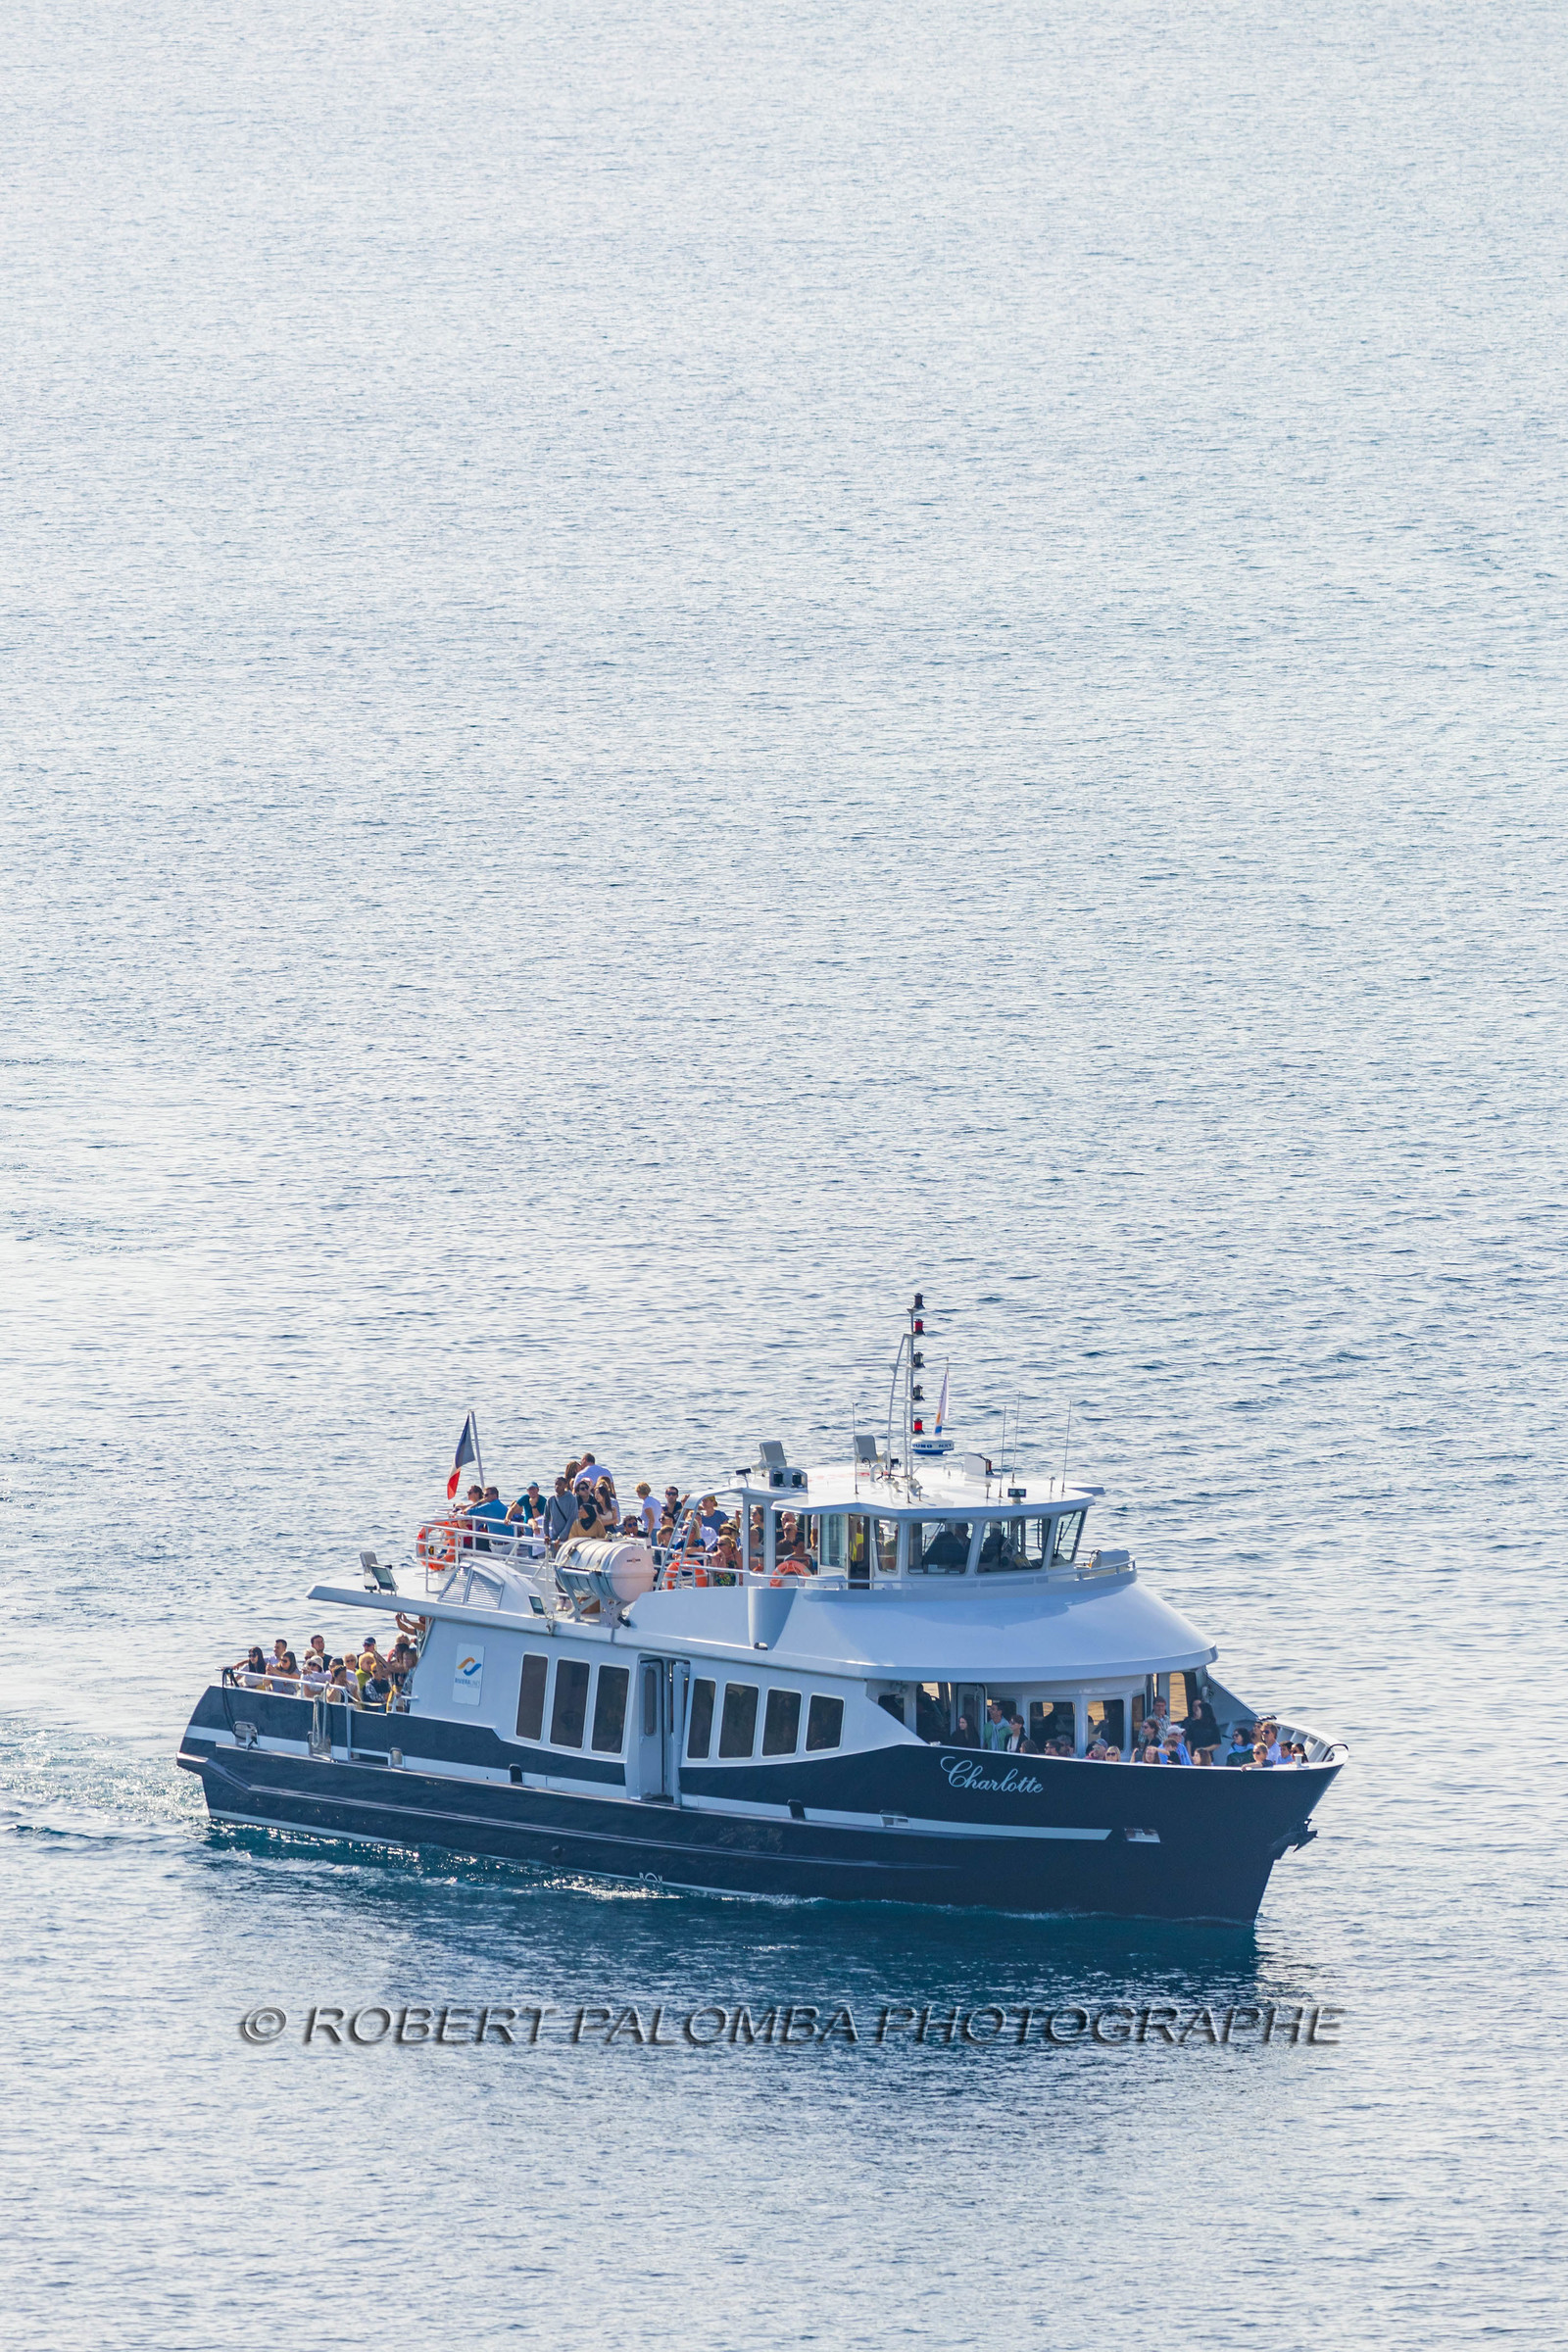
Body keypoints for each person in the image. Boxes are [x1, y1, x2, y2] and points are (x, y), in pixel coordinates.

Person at [544, 1476, 578, 1549]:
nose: (557, 1487)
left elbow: (572, 1519)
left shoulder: (572, 1499)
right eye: (556, 1484)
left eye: (560, 1484)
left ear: (565, 1485)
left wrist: (561, 1537)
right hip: (554, 1537)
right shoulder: (551, 1499)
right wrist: (546, 1534)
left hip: (568, 1537)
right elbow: (546, 1518)